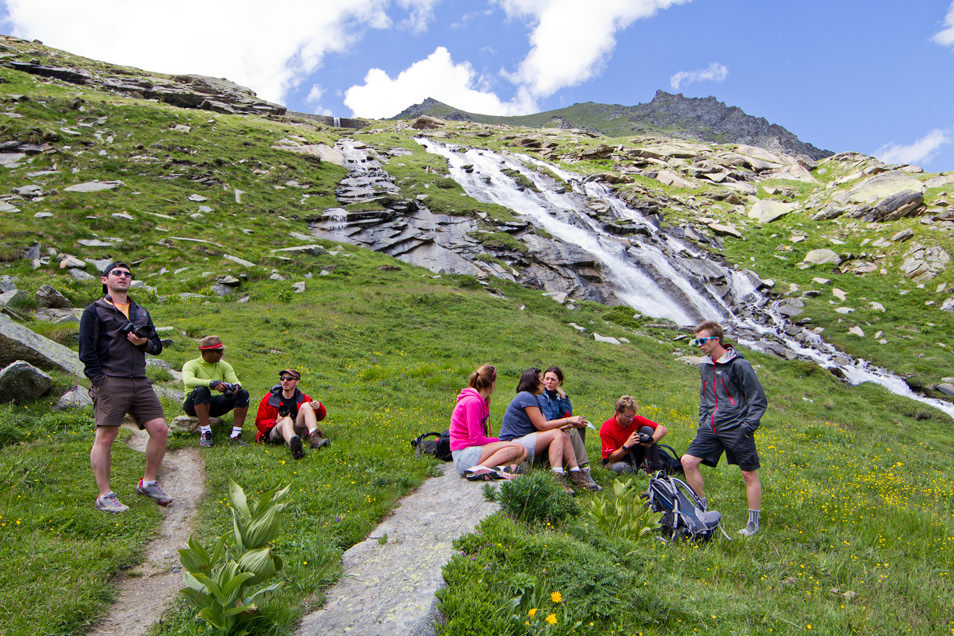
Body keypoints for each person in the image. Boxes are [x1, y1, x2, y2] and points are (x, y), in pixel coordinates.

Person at [79, 261, 172, 513]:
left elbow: (157, 345)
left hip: (139, 380)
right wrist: (99, 380)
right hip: (111, 379)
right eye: (116, 273)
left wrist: (143, 343)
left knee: (160, 428)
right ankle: (105, 495)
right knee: (106, 436)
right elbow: (86, 352)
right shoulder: (94, 311)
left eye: (127, 274)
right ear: (104, 280)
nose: (123, 277)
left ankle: (149, 482)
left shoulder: (140, 310)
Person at [681, 320, 767, 536]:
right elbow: (705, 397)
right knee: (688, 461)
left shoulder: (739, 365)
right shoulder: (706, 366)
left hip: (736, 426)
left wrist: (748, 426)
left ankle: (753, 524)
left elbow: (758, 399)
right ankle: (703, 511)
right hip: (711, 425)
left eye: (703, 340)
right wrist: (704, 421)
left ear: (717, 340)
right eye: (697, 341)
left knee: (748, 474)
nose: (699, 345)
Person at [499, 367, 601, 493]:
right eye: (542, 379)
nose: (545, 383)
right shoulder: (526, 397)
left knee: (563, 434)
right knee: (557, 434)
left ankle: (576, 474)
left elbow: (544, 425)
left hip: (524, 440)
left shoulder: (534, 398)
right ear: (534, 382)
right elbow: (542, 425)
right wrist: (568, 421)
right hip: (513, 443)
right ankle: (557, 478)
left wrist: (569, 425)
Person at [449, 364, 527, 481]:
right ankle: (478, 470)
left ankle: (495, 471)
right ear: (492, 383)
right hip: (464, 455)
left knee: (523, 451)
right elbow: (476, 439)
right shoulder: (473, 402)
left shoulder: (481, 401)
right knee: (517, 449)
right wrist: (500, 442)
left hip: (470, 452)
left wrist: (501, 443)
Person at [181, 335, 251, 447]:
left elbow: (235, 380)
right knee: (202, 390)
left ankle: (235, 435)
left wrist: (235, 387)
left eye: (221, 351)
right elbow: (188, 381)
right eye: (218, 351)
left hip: (215, 404)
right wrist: (211, 384)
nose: (221, 354)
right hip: (194, 403)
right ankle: (205, 432)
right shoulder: (191, 365)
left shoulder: (224, 365)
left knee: (243, 393)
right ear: (207, 352)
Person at [254, 369, 328, 460]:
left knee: (306, 406)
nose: (285, 381)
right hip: (276, 432)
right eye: (282, 378)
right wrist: (276, 421)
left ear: (297, 382)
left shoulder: (303, 398)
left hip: (297, 429)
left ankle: (315, 438)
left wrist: (318, 407)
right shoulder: (269, 398)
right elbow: (259, 423)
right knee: (287, 420)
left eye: (289, 379)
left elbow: (321, 416)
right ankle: (294, 446)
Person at [537, 366, 597, 476]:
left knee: (579, 427)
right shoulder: (542, 396)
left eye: (553, 380)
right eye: (547, 379)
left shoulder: (556, 398)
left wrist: (563, 396)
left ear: (559, 383)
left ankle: (574, 464)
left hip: (553, 428)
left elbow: (568, 414)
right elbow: (549, 420)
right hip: (544, 430)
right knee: (571, 430)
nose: (549, 382)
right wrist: (568, 423)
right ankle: (581, 469)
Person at [599, 395, 669, 474]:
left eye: (632, 416)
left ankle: (655, 469)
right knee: (622, 467)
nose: (631, 419)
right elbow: (611, 459)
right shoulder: (607, 428)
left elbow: (662, 429)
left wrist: (650, 441)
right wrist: (626, 446)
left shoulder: (636, 420)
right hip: (617, 459)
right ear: (618, 412)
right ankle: (635, 471)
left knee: (647, 430)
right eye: (627, 416)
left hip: (633, 454)